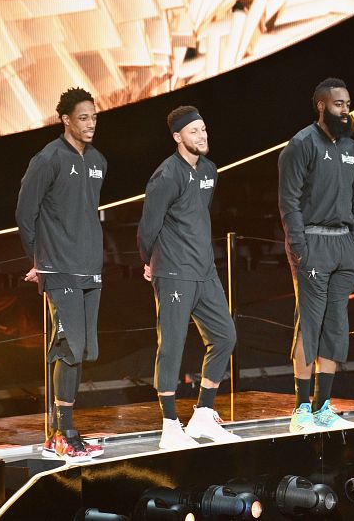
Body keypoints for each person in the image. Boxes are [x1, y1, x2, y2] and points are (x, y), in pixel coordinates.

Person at [137, 106, 239, 450]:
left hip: (205, 270)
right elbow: (148, 226)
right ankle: (170, 425)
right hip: (174, 272)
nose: (202, 135)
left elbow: (195, 215)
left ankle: (203, 414)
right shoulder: (166, 175)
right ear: (177, 137)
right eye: (194, 131)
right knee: (172, 345)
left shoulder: (209, 170)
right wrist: (149, 261)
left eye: (204, 129)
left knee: (225, 336)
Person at [16, 88, 107, 462]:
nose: (90, 124)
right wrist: (37, 259)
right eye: (83, 117)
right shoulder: (48, 159)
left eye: (94, 117)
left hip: (90, 266)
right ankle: (63, 434)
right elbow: (25, 213)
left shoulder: (98, 161)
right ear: (66, 120)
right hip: (58, 267)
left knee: (82, 349)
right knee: (70, 346)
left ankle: (63, 431)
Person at [278, 78, 354, 433]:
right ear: (322, 106)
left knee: (336, 326)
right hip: (312, 242)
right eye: (339, 104)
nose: (345, 110)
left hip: (343, 245)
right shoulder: (301, 144)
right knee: (310, 324)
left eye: (347, 104)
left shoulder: (352, 147)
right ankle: (301, 409)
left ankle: (324, 406)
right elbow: (289, 201)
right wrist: (299, 247)